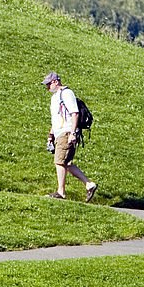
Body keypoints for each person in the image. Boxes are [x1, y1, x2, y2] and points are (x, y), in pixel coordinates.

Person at [43, 72, 98, 202]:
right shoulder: (55, 97)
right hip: (60, 133)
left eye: (49, 84)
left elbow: (75, 113)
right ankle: (89, 185)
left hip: (67, 132)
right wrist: (51, 135)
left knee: (59, 161)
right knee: (67, 163)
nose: (47, 88)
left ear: (56, 82)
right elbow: (56, 118)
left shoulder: (66, 93)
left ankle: (61, 192)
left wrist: (73, 133)